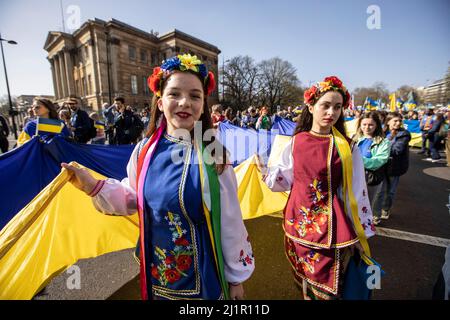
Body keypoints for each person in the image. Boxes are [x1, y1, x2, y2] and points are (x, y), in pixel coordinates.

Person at [62, 54, 254, 300]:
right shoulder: (143, 150)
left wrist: (235, 277)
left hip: (204, 277)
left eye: (195, 96)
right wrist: (93, 185)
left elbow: (230, 221)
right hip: (157, 274)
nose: (185, 102)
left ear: (203, 104)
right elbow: (133, 197)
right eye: (174, 94)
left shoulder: (213, 155)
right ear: (160, 102)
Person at [256, 76, 374, 300]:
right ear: (310, 107)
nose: (332, 112)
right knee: (302, 279)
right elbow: (283, 180)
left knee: (328, 287)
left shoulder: (347, 148)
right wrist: (266, 173)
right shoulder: (296, 141)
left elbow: (356, 193)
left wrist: (362, 235)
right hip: (296, 224)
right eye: (326, 106)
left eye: (337, 107)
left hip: (330, 229)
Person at [372, 112, 411, 222]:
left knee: (390, 192)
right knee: (379, 191)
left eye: (400, 121)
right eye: (395, 120)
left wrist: (380, 149)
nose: (398, 123)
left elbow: (397, 150)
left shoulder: (404, 134)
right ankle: (376, 215)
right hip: (381, 166)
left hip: (395, 168)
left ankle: (386, 208)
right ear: (388, 121)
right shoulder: (381, 132)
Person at [353, 111, 391, 210]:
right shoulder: (354, 138)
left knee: (366, 207)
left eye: (371, 125)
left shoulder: (384, 142)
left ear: (376, 125)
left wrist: (356, 160)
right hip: (353, 177)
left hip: (370, 178)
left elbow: (378, 161)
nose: (367, 127)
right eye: (364, 124)